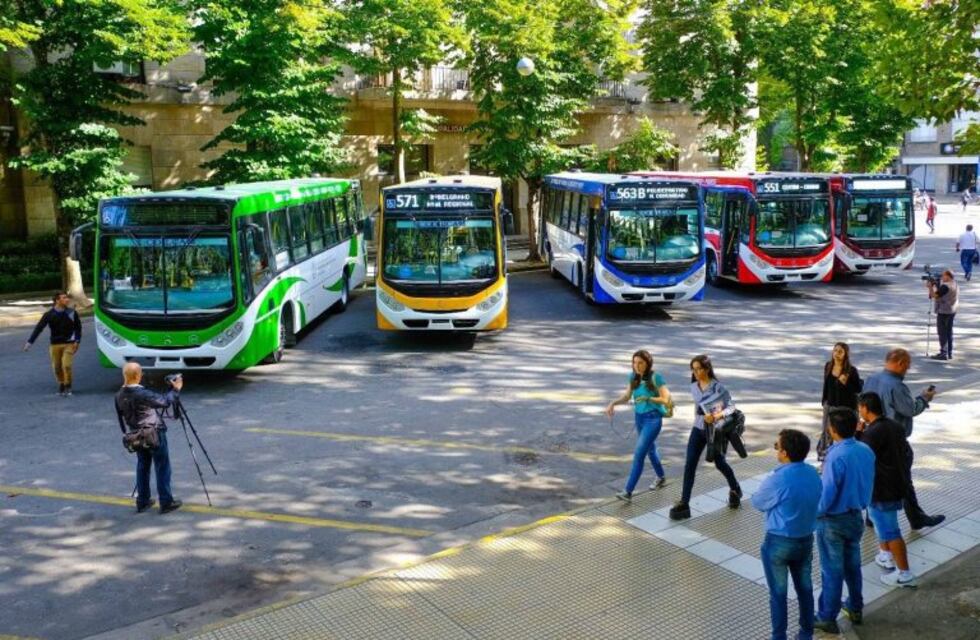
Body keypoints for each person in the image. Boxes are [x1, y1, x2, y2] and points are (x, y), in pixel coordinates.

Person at [752, 429, 823, 640]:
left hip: (779, 543)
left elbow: (758, 502)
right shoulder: (813, 473)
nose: (776, 450)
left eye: (777, 446)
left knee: (778, 594)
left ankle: (779, 636)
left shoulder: (778, 478)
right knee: (805, 589)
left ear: (784, 453)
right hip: (805, 540)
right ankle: (806, 633)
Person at [862, 349, 943, 529]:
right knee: (903, 478)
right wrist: (924, 397)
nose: (907, 369)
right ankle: (916, 518)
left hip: (873, 436)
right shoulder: (896, 386)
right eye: (907, 366)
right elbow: (910, 409)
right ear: (900, 364)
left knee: (875, 476)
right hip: (894, 439)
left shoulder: (871, 379)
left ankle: (870, 517)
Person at [813, 408, 875, 635]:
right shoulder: (865, 450)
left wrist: (815, 513)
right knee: (852, 565)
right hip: (856, 516)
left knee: (831, 570)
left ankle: (827, 616)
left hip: (833, 521)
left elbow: (828, 494)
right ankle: (855, 606)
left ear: (832, 429)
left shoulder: (836, 456)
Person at [856, 392, 918, 589]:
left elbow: (862, 456)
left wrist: (858, 434)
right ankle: (886, 556)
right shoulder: (893, 426)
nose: (859, 411)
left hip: (881, 489)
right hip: (895, 484)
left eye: (860, 408)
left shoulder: (872, 433)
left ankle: (904, 573)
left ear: (865, 408)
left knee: (890, 530)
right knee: (881, 523)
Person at [669, 355, 742, 520]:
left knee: (719, 463)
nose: (696, 372)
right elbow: (699, 407)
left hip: (715, 431)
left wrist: (717, 416)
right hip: (698, 428)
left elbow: (731, 408)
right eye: (693, 369)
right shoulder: (694, 386)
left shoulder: (718, 387)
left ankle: (735, 488)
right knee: (690, 465)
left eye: (699, 368)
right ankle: (684, 503)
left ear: (707, 369)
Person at [114, 362, 183, 514]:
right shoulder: (142, 393)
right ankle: (166, 502)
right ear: (138, 376)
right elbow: (164, 401)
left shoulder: (118, 395)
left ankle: (142, 501)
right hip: (153, 433)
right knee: (162, 466)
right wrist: (175, 389)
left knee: (143, 465)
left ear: (124, 376)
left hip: (136, 434)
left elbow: (121, 418)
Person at [606, 350, 670, 501]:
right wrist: (613, 403)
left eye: (640, 363)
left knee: (639, 454)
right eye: (634, 362)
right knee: (651, 450)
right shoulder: (633, 377)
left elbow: (666, 399)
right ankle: (661, 477)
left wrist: (649, 398)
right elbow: (627, 396)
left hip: (653, 420)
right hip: (639, 418)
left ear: (648, 363)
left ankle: (628, 491)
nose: (637, 366)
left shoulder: (656, 377)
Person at [23, 291, 82, 396]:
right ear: (57, 300)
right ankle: (61, 383)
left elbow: (78, 328)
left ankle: (68, 385)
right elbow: (39, 328)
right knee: (57, 367)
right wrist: (30, 342)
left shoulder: (72, 313)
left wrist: (77, 340)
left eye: (67, 298)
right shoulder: (49, 315)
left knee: (66, 365)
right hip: (55, 344)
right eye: (64, 298)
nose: (67, 300)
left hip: (69, 343)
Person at [817, 342, 862, 462]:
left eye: (840, 352)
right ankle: (825, 458)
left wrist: (846, 382)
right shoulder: (828, 366)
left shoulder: (851, 371)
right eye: (835, 351)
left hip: (846, 407)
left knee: (845, 434)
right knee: (827, 432)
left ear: (845, 354)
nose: (837, 354)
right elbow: (826, 385)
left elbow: (858, 389)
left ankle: (848, 458)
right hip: (830, 405)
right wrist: (825, 402)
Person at [927, 270, 958, 360]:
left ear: (948, 276)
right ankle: (949, 352)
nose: (942, 277)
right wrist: (936, 284)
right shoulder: (954, 283)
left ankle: (943, 353)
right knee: (949, 332)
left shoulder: (945, 286)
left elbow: (934, 295)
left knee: (942, 333)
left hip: (944, 311)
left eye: (943, 276)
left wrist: (930, 287)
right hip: (952, 310)